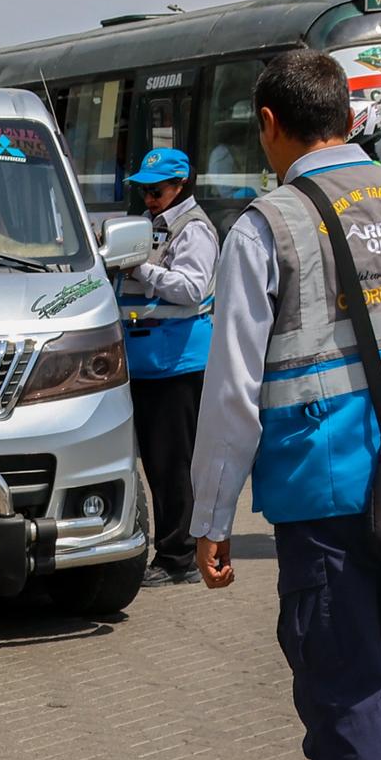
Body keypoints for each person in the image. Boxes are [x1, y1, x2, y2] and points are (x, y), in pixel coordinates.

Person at [191, 50, 381, 760]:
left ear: (269, 123)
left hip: (326, 499)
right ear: (346, 117)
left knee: (344, 703)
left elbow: (232, 390)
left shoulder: (266, 226)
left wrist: (212, 517)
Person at [117, 148, 220, 587]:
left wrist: (142, 271)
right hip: (147, 363)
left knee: (174, 463)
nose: (148, 199)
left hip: (177, 364)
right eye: (143, 190)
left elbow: (192, 288)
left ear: (181, 186)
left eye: (156, 191)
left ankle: (178, 558)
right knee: (158, 463)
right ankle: (173, 549)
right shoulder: (150, 225)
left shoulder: (193, 229)